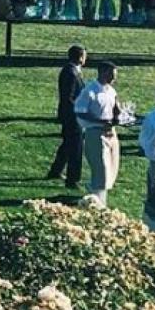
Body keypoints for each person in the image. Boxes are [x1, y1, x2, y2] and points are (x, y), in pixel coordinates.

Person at [75, 61, 122, 207]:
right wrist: (101, 122)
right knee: (101, 169)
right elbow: (80, 112)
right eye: (111, 74)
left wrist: (117, 114)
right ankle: (97, 201)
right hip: (95, 132)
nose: (114, 78)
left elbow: (114, 108)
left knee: (112, 167)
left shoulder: (111, 91)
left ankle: (99, 197)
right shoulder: (90, 91)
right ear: (102, 72)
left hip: (110, 133)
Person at [48, 45, 87, 189]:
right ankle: (73, 179)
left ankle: (56, 170)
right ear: (80, 57)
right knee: (76, 147)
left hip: (69, 114)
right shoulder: (70, 73)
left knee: (67, 144)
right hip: (72, 116)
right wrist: (78, 112)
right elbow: (68, 96)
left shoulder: (72, 71)